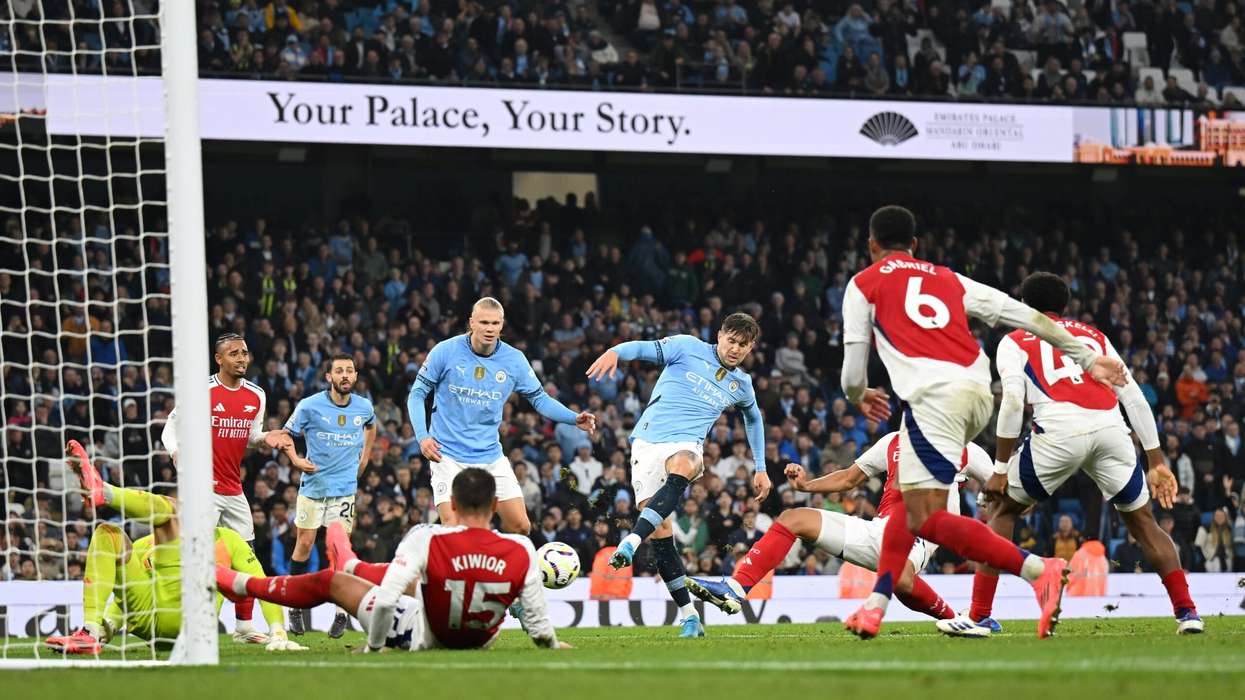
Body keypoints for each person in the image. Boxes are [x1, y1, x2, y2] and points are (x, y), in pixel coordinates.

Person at [839, 205, 1127, 640]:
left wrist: (859, 397)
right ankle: (876, 605)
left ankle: (1037, 570)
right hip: (976, 392)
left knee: (924, 517)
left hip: (932, 398)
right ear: (915, 245)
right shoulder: (948, 278)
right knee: (910, 505)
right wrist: (1088, 356)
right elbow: (1022, 314)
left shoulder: (863, 283)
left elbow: (852, 375)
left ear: (871, 245)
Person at [941, 271, 1201, 637]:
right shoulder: (1094, 336)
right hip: (1112, 430)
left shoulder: (1014, 340)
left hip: (1059, 431)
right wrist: (1156, 460)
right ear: (1065, 305)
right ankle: (1188, 613)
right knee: (1144, 523)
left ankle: (980, 615)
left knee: (1003, 509)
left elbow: (1014, 401)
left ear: (1023, 304)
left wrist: (1000, 468)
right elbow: (1133, 397)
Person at [215, 469, 568, 652]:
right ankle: (350, 560)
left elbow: (385, 601)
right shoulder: (522, 548)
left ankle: (245, 583)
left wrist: (374, 646)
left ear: (453, 505)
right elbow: (537, 622)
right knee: (426, 581)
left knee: (333, 582)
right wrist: (550, 643)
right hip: (480, 639)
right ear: (495, 506)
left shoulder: (428, 537)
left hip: (424, 635)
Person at [585, 312, 771, 638]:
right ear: (720, 334)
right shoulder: (686, 347)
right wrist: (616, 351)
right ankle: (690, 617)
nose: (735, 350)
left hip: (687, 445)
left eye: (743, 345)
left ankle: (630, 541)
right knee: (661, 530)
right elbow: (643, 348)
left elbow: (753, 419)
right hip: (646, 443)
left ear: (751, 347)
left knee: (685, 464)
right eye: (732, 341)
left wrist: (761, 467)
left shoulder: (741, 384)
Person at [688, 433, 993, 625]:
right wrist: (807, 485)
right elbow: (849, 478)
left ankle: (956, 619)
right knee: (793, 518)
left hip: (921, 535)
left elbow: (997, 485)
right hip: (878, 529)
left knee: (901, 580)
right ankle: (736, 589)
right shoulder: (892, 442)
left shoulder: (964, 448)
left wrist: (992, 500)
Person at [45, 441, 303, 654]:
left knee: (168, 512)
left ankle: (106, 492)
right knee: (107, 533)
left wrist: (278, 632)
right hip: (149, 619)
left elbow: (262, 584)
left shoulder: (228, 539)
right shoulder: (152, 541)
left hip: (191, 622)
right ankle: (88, 632)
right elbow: (128, 591)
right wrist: (106, 628)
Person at [406, 297, 596, 535]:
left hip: (489, 455)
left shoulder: (514, 360)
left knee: (521, 526)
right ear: (471, 323)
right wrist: (422, 437)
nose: (489, 329)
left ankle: (494, 570)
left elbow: (540, 399)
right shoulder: (445, 351)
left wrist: (573, 417)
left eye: (495, 323)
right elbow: (416, 395)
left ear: (502, 325)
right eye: (484, 322)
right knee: (454, 529)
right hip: (447, 456)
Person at [161, 332, 304, 644]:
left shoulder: (256, 395)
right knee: (200, 556)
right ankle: (188, 623)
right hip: (202, 488)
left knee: (247, 555)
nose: (242, 358)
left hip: (232, 488)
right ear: (219, 359)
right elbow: (170, 427)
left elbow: (252, 435)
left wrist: (267, 438)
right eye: (234, 353)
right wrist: (175, 452)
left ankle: (243, 627)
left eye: (245, 353)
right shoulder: (202, 390)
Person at [279, 353, 377, 638]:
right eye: (339, 371)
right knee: (305, 544)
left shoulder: (363, 407)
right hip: (313, 488)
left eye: (349, 371)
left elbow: (370, 426)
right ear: (329, 377)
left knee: (339, 549)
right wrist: (297, 461)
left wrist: (365, 458)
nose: (345, 375)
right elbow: (286, 435)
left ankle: (341, 614)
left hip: (344, 490)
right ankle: (295, 608)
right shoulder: (309, 406)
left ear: (355, 376)